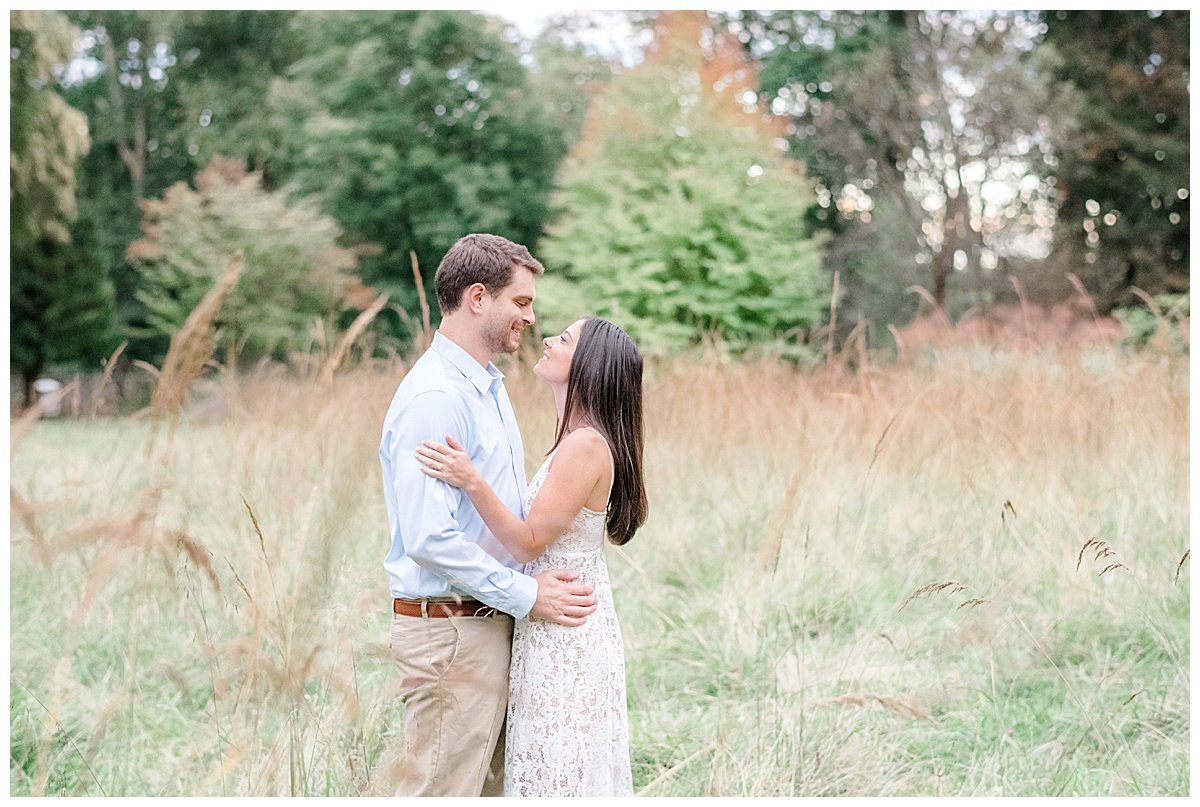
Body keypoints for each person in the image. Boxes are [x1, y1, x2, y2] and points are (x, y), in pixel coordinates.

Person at [379, 234, 599, 797]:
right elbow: (431, 539)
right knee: (440, 791)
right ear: (479, 297)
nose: (530, 317)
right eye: (521, 303)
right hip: (451, 631)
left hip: (488, 621)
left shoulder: (487, 387)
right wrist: (529, 596)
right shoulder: (436, 397)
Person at [416, 315, 648, 796]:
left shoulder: (585, 446)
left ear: (587, 366)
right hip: (552, 621)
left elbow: (528, 540)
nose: (546, 338)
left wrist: (470, 479)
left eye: (563, 339)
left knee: (559, 768)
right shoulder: (577, 440)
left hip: (565, 635)